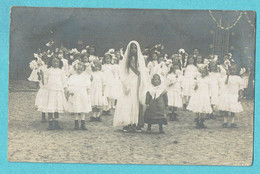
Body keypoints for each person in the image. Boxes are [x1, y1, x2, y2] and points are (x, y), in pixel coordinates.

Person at [113, 41, 148, 132]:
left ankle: (136, 123)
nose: (133, 50)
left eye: (135, 48)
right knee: (127, 102)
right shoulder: (126, 60)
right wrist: (125, 83)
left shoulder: (140, 59)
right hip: (128, 82)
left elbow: (143, 72)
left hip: (137, 82)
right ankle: (128, 123)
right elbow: (123, 72)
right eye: (132, 48)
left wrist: (143, 83)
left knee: (136, 101)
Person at [42, 54, 68, 130]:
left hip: (58, 91)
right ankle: (50, 124)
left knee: (57, 106)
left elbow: (64, 81)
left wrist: (65, 89)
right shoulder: (48, 70)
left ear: (59, 63)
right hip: (50, 91)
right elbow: (45, 81)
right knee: (50, 106)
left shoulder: (61, 71)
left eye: (57, 62)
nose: (55, 63)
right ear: (51, 62)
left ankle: (56, 123)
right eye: (54, 61)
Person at [67, 62, 92, 130]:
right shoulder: (72, 77)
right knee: (76, 108)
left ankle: (83, 123)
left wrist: (88, 94)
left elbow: (88, 86)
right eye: (78, 69)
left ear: (83, 69)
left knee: (83, 108)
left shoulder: (85, 77)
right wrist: (71, 91)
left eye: (81, 69)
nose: (79, 71)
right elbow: (70, 85)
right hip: (76, 94)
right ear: (75, 69)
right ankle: (76, 123)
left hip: (83, 94)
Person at [218, 63, 244, 128]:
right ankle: (225, 121)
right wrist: (227, 76)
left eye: (234, 70)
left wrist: (240, 95)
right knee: (225, 108)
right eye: (231, 70)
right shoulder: (226, 77)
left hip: (234, 95)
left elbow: (241, 88)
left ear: (236, 70)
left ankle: (232, 122)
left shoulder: (238, 78)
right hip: (227, 94)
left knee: (233, 109)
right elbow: (225, 83)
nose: (232, 71)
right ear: (229, 70)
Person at [166, 54, 183, 121]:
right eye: (174, 68)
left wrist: (181, 88)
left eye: (177, 68)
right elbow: (168, 83)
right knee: (171, 101)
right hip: (171, 89)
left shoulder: (180, 74)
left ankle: (175, 114)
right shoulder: (169, 75)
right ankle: (170, 114)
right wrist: (172, 81)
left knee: (176, 101)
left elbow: (181, 81)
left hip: (177, 89)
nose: (176, 69)